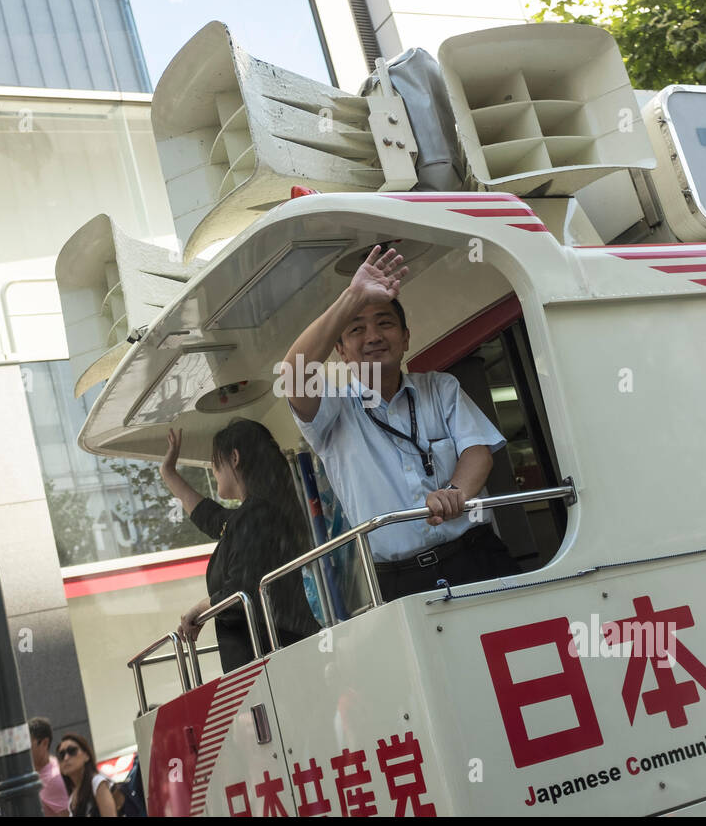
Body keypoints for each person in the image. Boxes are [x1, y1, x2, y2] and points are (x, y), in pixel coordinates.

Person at [283, 245, 520, 602]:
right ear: (341, 351)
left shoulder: (441, 388)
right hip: (401, 582)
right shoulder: (332, 409)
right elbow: (294, 373)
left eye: (385, 323)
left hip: (477, 554)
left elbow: (478, 451)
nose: (374, 336)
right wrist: (353, 296)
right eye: (357, 329)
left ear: (406, 338)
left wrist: (456, 491)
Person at [160, 419, 321, 670]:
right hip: (281, 655)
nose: (213, 472)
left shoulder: (256, 516)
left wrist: (200, 609)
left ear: (234, 458)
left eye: (215, 463)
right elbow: (210, 517)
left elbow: (240, 591)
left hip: (270, 662)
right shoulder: (258, 514)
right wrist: (168, 473)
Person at [56, 733, 118, 818]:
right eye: (61, 755)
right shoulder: (72, 798)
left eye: (72, 751)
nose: (66, 758)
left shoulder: (97, 783)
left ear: (86, 755)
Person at [29, 716, 70, 817]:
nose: (26, 752)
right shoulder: (40, 770)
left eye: (29, 745)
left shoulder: (55, 778)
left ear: (44, 743)